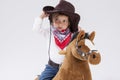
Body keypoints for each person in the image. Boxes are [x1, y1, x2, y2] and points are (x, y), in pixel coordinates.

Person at [33, 0, 81, 80]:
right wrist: (41, 16)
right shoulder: (49, 32)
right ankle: (40, 77)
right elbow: (36, 29)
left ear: (69, 23)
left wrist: (79, 33)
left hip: (67, 67)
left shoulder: (73, 34)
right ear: (52, 21)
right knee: (43, 79)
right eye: (56, 20)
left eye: (64, 21)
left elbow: (81, 43)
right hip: (52, 67)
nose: (60, 24)